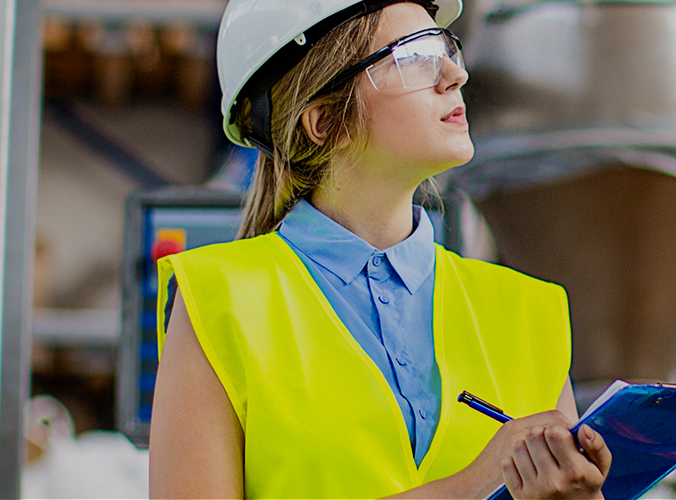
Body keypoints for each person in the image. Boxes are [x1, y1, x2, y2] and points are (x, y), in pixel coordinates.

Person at [147, 0, 611, 498]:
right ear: (324, 122)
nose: (456, 73)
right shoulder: (218, 301)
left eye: (446, 49)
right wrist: (472, 485)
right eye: (414, 56)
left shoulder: (527, 312)